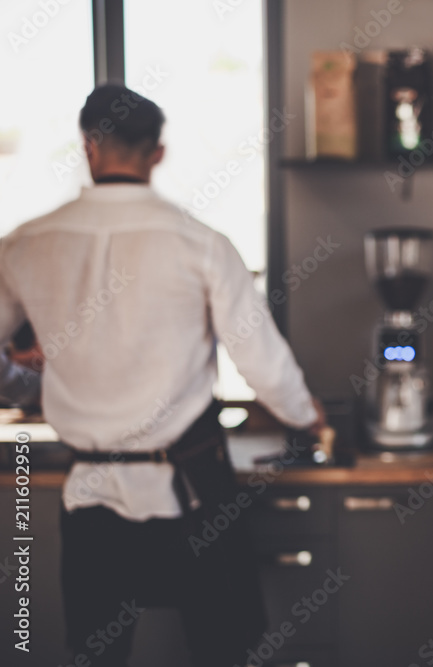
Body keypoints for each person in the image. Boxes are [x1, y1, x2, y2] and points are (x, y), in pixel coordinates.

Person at [0, 84, 325, 667]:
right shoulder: (201, 244)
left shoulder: (24, 245)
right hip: (191, 493)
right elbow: (262, 365)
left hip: (91, 501)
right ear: (158, 153)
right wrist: (309, 418)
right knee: (222, 651)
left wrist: (26, 384)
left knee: (99, 657)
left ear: (89, 147)